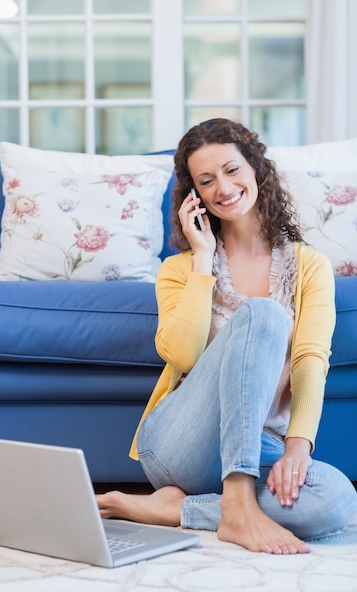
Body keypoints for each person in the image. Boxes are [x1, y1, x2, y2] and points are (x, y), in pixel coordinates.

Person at [97, 118, 357, 555]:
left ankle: (178, 510)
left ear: (256, 169)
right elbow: (180, 355)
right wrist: (202, 258)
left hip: (261, 446)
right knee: (264, 315)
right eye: (206, 180)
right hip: (181, 445)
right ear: (194, 195)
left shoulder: (308, 266)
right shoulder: (179, 269)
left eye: (232, 170)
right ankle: (235, 500)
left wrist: (296, 450)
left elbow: (311, 360)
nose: (223, 187)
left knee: (335, 499)